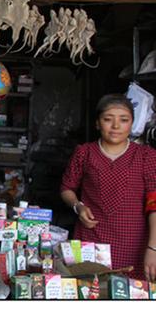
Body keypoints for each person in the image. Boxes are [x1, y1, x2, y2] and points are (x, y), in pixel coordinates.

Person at [61, 93, 156, 281]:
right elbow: (67, 188)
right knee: (90, 290)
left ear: (131, 124)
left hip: (134, 242)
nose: (115, 126)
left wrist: (153, 248)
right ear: (98, 123)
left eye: (124, 120)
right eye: (108, 119)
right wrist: (78, 206)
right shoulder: (84, 153)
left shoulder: (147, 156)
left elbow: (154, 203)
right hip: (91, 239)